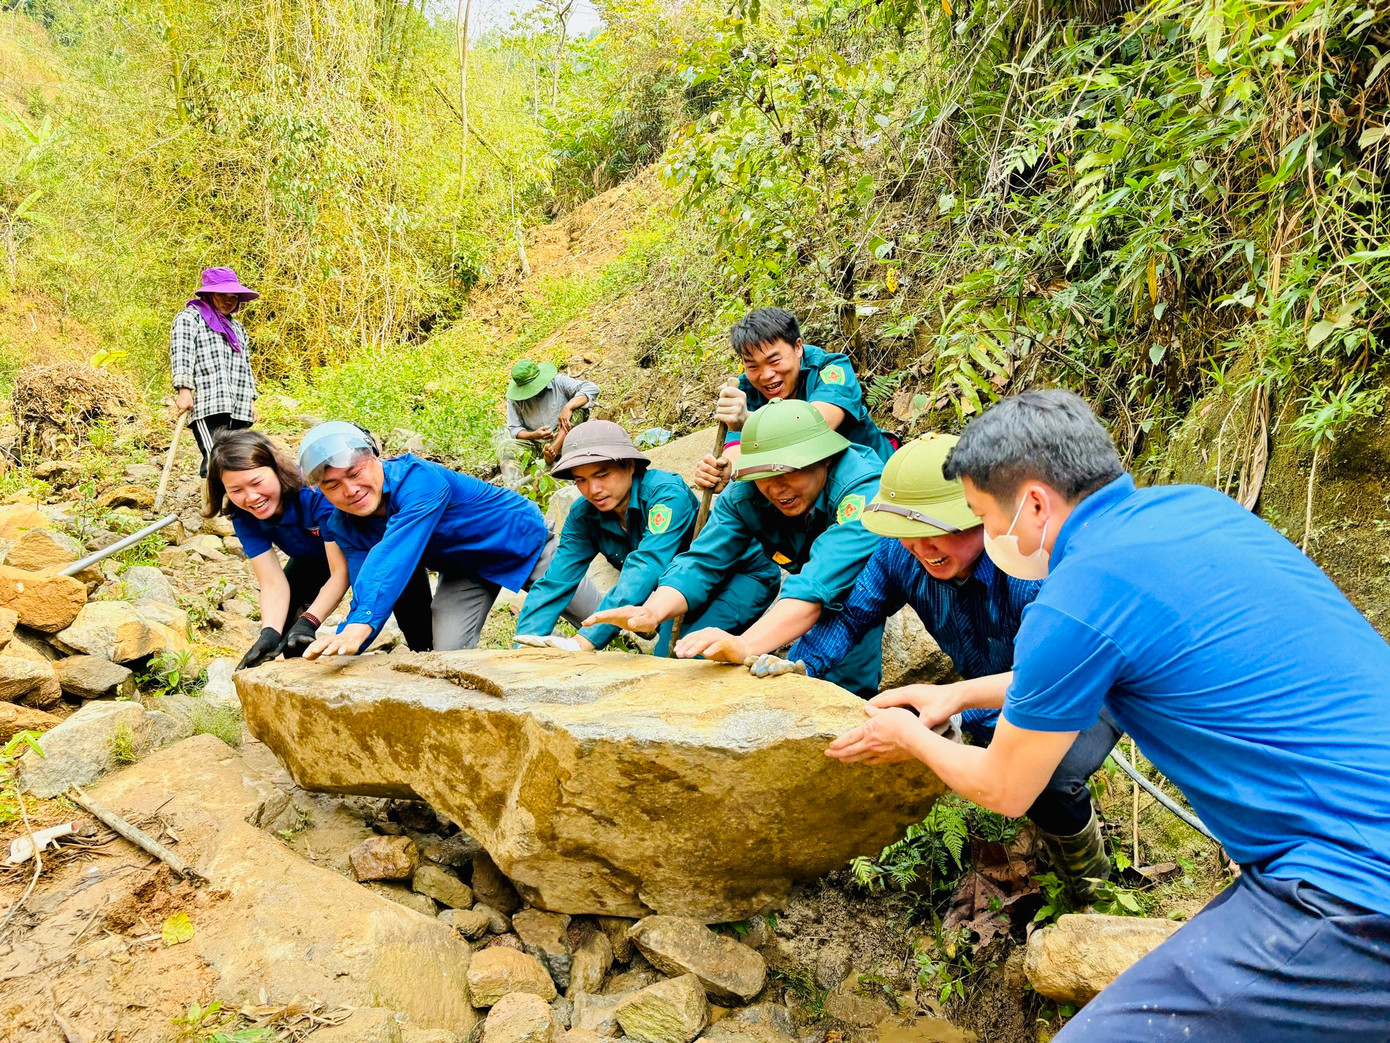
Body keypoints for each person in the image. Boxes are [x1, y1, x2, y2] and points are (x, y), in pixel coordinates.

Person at [826, 389, 1390, 1041]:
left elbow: (1005, 788)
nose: (982, 533)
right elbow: (1090, 658)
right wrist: (956, 694)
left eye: (981, 514)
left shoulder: (1071, 598)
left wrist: (906, 736)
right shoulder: (1195, 510)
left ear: (1033, 503)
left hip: (1350, 887)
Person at [755, 433, 1118, 901]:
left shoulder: (1029, 565)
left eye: (942, 528)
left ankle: (1091, 887)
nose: (924, 547)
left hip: (1083, 688)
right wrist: (799, 667)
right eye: (908, 531)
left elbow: (1043, 683)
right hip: (983, 692)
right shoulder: (896, 557)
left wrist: (957, 718)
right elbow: (849, 617)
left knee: (1049, 779)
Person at [588, 400, 886, 695]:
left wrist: (746, 645)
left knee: (846, 686)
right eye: (764, 476)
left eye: (790, 472)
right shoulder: (744, 493)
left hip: (867, 584)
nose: (777, 488)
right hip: (808, 581)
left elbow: (816, 584)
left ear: (825, 459)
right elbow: (702, 561)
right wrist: (653, 611)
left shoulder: (860, 490)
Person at [296, 422, 599, 657]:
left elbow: (392, 555)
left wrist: (361, 623)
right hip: (463, 568)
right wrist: (350, 635)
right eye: (332, 485)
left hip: (520, 541)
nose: (349, 490)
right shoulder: (344, 523)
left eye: (355, 473)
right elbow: (368, 579)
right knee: (447, 653)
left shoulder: (419, 480)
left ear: (375, 457)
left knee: (603, 619)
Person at [515, 420, 779, 654]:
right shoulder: (584, 515)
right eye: (581, 480)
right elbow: (556, 581)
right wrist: (523, 646)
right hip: (676, 594)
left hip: (738, 576)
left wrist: (584, 641)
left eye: (602, 475)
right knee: (666, 657)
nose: (593, 490)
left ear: (629, 466)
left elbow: (645, 566)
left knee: (682, 659)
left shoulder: (666, 495)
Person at [204, 430, 434, 669]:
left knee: (413, 616)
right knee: (286, 629)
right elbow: (272, 582)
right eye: (236, 490)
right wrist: (269, 632)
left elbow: (340, 572)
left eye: (256, 482)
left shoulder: (317, 494)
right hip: (311, 558)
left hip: (371, 550)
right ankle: (300, 680)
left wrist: (311, 620)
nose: (251, 497)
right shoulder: (243, 515)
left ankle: (428, 658)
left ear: (276, 469)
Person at [694, 307, 894, 492]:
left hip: (876, 477)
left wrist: (749, 421)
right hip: (807, 490)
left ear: (798, 347)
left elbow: (814, 428)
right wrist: (725, 470)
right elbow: (738, 450)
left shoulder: (830, 369)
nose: (766, 375)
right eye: (753, 366)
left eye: (774, 361)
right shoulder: (745, 389)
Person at [170, 266, 260, 477]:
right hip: (208, 402)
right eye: (222, 295)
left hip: (238, 404)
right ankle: (212, 506)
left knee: (238, 458)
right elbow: (182, 354)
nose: (229, 301)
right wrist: (184, 390)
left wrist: (251, 400)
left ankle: (235, 506)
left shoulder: (237, 329)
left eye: (234, 296)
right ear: (209, 294)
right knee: (216, 457)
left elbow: (245, 366)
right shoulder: (190, 319)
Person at [495, 358, 601, 488]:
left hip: (567, 438)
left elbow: (591, 388)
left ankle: (554, 450)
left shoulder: (559, 382)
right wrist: (534, 435)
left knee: (578, 409)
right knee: (505, 446)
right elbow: (514, 429)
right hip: (537, 446)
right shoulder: (515, 399)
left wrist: (568, 407)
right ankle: (514, 489)